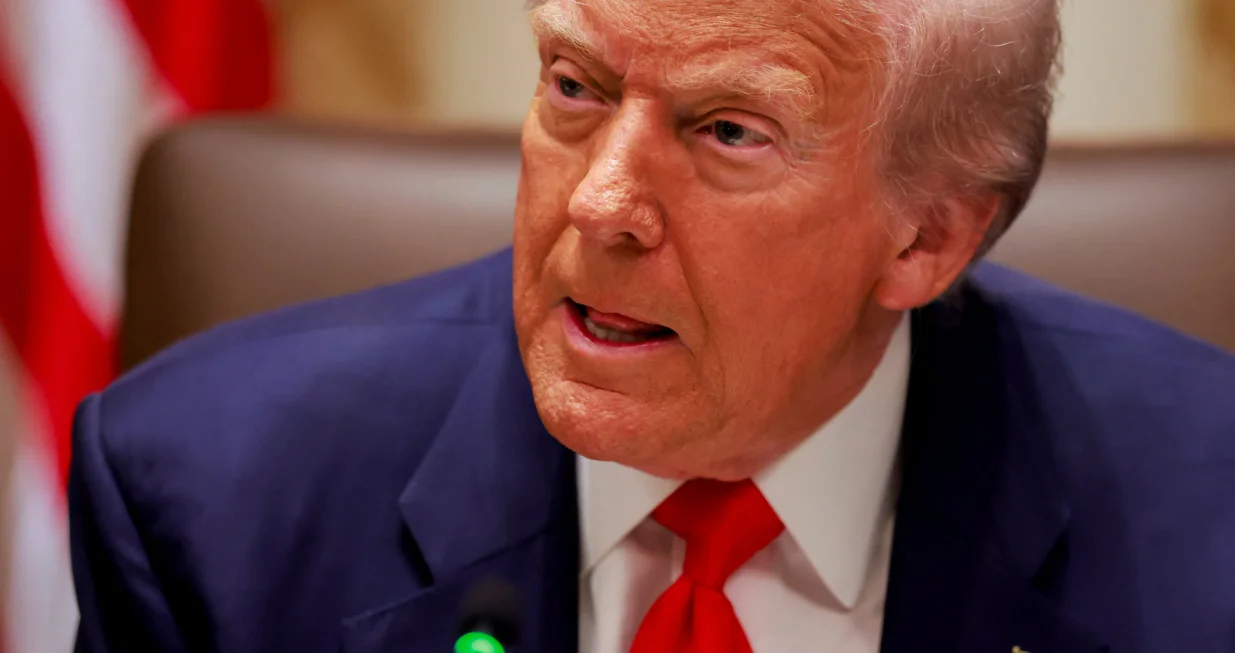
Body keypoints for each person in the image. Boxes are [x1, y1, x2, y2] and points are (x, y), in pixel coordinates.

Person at [69, 0, 1235, 651]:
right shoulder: (209, 501)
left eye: (728, 131)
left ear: (924, 239)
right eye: (573, 86)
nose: (598, 201)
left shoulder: (1207, 532)